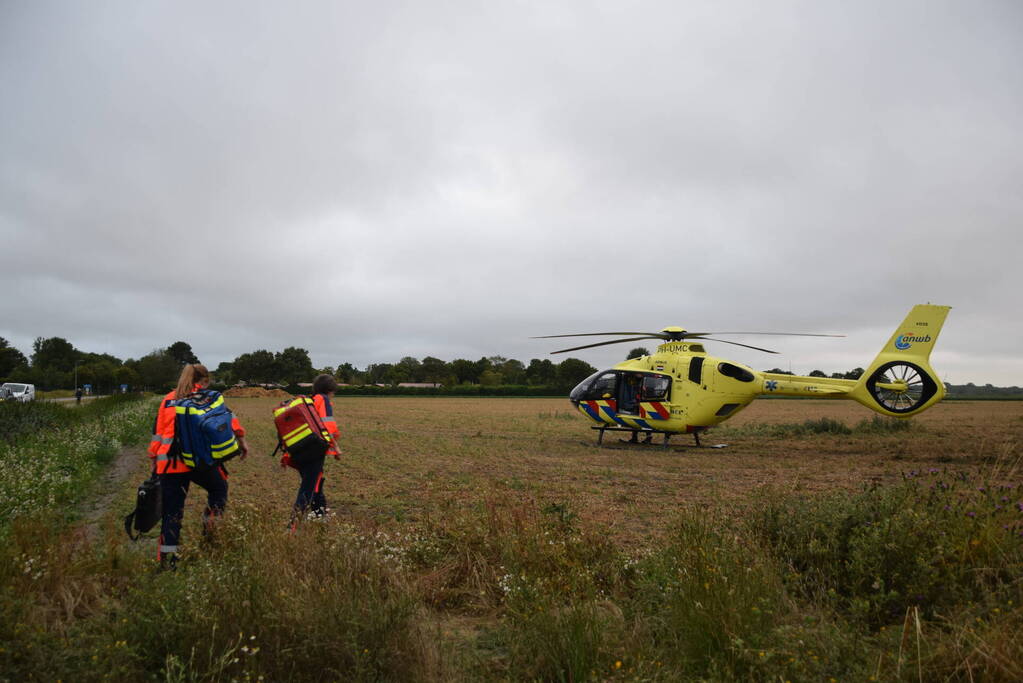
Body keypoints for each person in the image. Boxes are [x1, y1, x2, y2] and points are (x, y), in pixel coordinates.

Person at [147, 364, 248, 569]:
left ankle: (167, 561)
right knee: (219, 489)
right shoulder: (207, 397)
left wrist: (154, 459)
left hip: (169, 464)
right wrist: (242, 441)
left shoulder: (167, 399)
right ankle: (210, 535)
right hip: (199, 460)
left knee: (172, 512)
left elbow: (158, 433)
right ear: (203, 380)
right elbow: (228, 420)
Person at [287, 374, 341, 525]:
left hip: (300, 449)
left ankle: (320, 515)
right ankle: (293, 526)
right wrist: (335, 446)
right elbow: (327, 425)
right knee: (309, 487)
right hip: (314, 450)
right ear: (329, 389)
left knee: (316, 481)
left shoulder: (309, 400)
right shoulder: (323, 400)